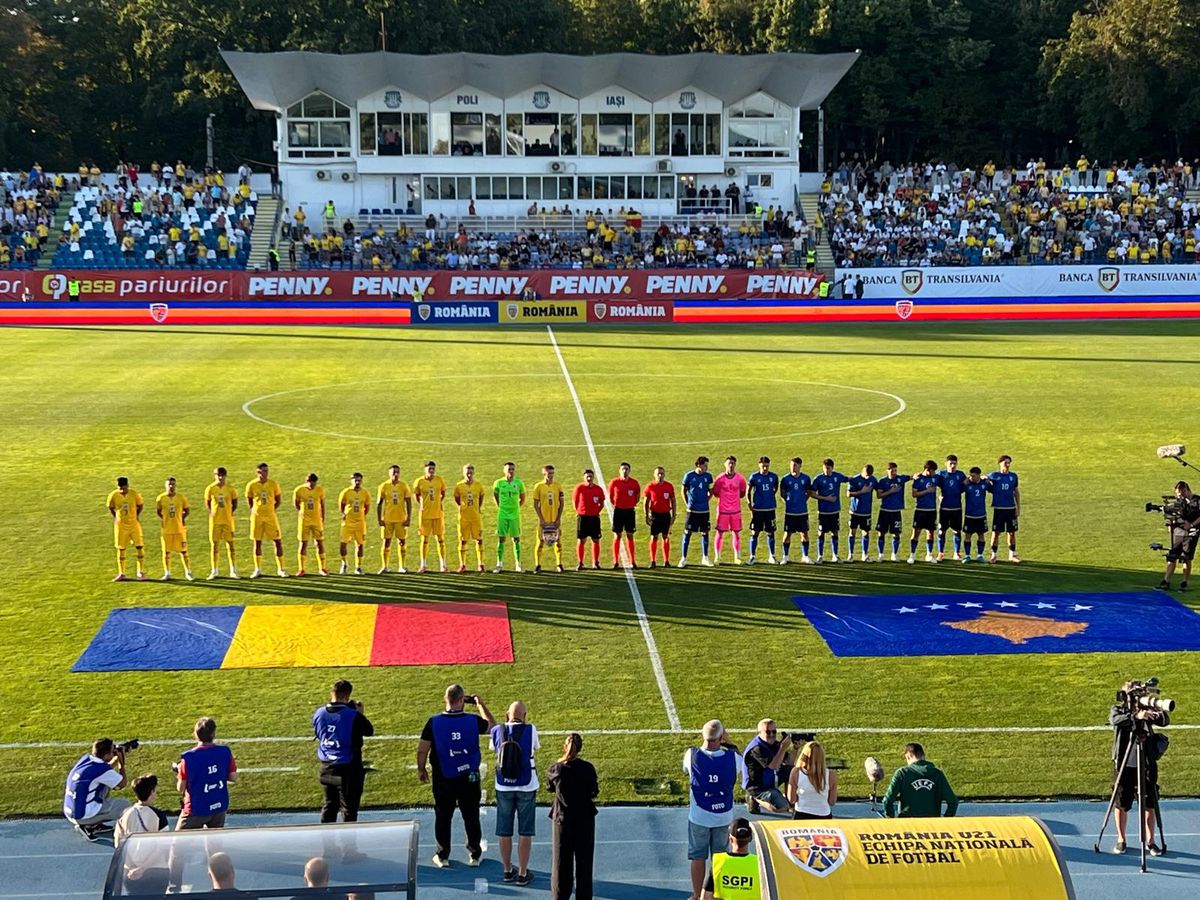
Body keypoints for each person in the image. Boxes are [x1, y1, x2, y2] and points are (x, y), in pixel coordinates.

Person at [418, 684, 496, 867]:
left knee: (443, 816)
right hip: (469, 777)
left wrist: (421, 769)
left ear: (446, 699)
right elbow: (493, 727)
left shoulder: (434, 721)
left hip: (443, 778)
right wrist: (480, 704)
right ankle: (475, 854)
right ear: (462, 700)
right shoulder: (472, 720)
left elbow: (422, 749)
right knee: (471, 815)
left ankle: (442, 855)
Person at [684, 721, 744, 900]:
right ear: (721, 737)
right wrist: (729, 743)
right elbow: (740, 763)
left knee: (697, 856)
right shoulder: (733, 758)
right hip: (723, 816)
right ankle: (714, 894)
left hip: (699, 816)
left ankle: (696, 895)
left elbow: (686, 771)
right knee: (720, 859)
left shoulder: (691, 754)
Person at [1110, 681, 1170, 854]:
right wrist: (1136, 716)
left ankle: (1150, 841)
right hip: (1124, 765)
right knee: (1122, 802)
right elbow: (1115, 720)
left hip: (1146, 764)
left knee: (1149, 802)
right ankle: (1121, 839)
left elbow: (1165, 721)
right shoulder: (1118, 710)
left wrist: (1155, 713)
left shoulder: (1147, 710)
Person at [490, 701, 540, 885]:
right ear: (525, 716)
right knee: (525, 831)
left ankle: (507, 870)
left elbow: (494, 749)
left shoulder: (497, 730)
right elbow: (534, 748)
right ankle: (522, 872)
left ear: (506, 715)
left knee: (504, 831)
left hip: (503, 785)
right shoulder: (531, 729)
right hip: (526, 785)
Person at [313, 679, 374, 822]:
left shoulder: (319, 713)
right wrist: (360, 713)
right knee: (349, 810)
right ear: (347, 696)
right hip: (348, 768)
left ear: (332, 693)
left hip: (326, 766)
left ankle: (326, 841)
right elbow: (369, 730)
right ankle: (348, 843)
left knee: (329, 806)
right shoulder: (353, 715)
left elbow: (318, 733)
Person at [547, 733, 599, 900]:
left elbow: (550, 787)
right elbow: (594, 791)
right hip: (584, 820)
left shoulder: (557, 769)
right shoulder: (588, 768)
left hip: (562, 820)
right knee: (584, 864)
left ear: (565, 746)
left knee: (561, 864)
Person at [174, 717, 237, 830]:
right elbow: (233, 777)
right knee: (215, 844)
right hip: (218, 805)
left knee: (177, 843)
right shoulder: (225, 751)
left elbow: (180, 787)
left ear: (196, 734)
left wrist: (180, 771)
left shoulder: (188, 758)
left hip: (196, 808)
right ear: (213, 734)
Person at [64, 738, 130, 840]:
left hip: (72, 811)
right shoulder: (101, 770)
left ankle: (93, 824)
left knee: (105, 785)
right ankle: (89, 825)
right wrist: (121, 762)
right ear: (107, 755)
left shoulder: (86, 760)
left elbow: (104, 772)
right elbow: (121, 784)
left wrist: (115, 759)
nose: (114, 752)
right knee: (126, 806)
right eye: (113, 751)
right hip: (82, 816)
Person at [114, 774, 170, 893]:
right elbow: (163, 846)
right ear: (151, 791)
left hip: (130, 873)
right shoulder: (159, 816)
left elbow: (119, 843)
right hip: (156, 871)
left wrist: (132, 867)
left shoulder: (125, 814)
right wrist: (143, 868)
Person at [881, 742, 958, 818]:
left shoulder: (902, 773)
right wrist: (946, 819)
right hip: (931, 826)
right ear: (923, 756)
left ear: (908, 757)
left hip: (907, 824)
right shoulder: (938, 774)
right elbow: (953, 801)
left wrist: (890, 818)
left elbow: (887, 800)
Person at [741, 720, 793, 813]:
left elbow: (789, 762)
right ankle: (754, 798)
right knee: (782, 808)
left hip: (769, 779)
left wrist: (796, 748)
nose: (772, 734)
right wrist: (783, 748)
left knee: (792, 770)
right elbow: (773, 766)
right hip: (757, 786)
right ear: (759, 732)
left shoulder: (773, 744)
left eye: (774, 732)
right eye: (768, 732)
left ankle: (789, 801)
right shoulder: (757, 748)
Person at [245, 462, 286, 578]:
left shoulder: (273, 484)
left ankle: (281, 569)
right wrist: (255, 510)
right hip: (257, 517)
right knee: (257, 542)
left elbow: (278, 500)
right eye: (264, 471)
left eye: (267, 471)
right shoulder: (251, 485)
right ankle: (257, 569)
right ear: (258, 472)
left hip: (270, 517)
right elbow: (249, 500)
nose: (266, 473)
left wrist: (271, 510)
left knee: (277, 541)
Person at [1157, 481, 1200, 590]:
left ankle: (1184, 582)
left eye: (1180, 494)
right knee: (1172, 555)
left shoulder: (1198, 501)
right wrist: (1172, 525)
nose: (1179, 496)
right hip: (1179, 532)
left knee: (1186, 558)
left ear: (1186, 490)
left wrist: (1191, 525)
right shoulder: (1180, 502)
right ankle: (1166, 581)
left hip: (1192, 532)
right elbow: (1176, 515)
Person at [701, 818, 757, 900]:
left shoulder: (719, 861)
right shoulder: (759, 863)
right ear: (750, 839)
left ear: (730, 839)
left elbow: (705, 897)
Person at [107, 476, 146, 582]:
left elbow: (140, 505)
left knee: (139, 546)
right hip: (121, 526)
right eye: (120, 488)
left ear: (128, 486)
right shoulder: (113, 495)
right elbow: (110, 507)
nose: (122, 490)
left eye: (124, 488)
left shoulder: (134, 494)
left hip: (134, 524)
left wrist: (136, 516)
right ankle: (122, 573)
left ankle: (140, 572)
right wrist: (116, 517)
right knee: (121, 548)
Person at [710, 457, 747, 565]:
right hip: (723, 511)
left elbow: (742, 493)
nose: (731, 465)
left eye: (733, 464)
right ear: (725, 464)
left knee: (736, 534)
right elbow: (716, 493)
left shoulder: (740, 478)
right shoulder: (720, 479)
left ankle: (737, 557)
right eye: (729, 463)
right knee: (720, 533)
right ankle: (717, 557)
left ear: (735, 465)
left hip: (736, 511)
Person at [413, 460, 449, 573]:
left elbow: (443, 493)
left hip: (438, 514)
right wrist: (423, 505)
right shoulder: (419, 482)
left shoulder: (439, 480)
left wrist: (438, 503)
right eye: (429, 469)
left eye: (433, 469)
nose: (431, 471)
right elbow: (416, 495)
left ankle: (443, 565)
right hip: (425, 515)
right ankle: (423, 565)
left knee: (441, 540)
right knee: (424, 540)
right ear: (425, 469)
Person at [679, 457, 715, 567]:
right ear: (698, 465)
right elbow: (683, 491)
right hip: (692, 510)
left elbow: (710, 491)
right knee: (687, 532)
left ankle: (705, 557)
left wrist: (706, 500)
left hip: (704, 510)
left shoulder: (708, 476)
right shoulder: (689, 476)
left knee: (705, 532)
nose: (706, 468)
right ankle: (683, 558)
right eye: (705, 465)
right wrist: (687, 504)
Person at [204, 466, 239, 579]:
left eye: (222, 475)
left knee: (231, 545)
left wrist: (228, 512)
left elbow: (235, 503)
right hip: (215, 522)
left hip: (228, 521)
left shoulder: (230, 489)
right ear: (214, 476)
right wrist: (213, 513)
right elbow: (207, 503)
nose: (220, 477)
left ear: (225, 476)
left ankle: (233, 570)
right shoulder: (210, 488)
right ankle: (214, 570)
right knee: (215, 545)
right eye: (218, 475)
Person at [155, 477, 193, 581]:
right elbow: (158, 511)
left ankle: (188, 572)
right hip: (166, 530)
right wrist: (165, 519)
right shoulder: (161, 498)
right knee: (166, 552)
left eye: (173, 484)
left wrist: (181, 519)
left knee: (184, 551)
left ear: (175, 485)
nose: (171, 486)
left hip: (179, 529)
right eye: (169, 484)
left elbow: (187, 510)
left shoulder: (181, 498)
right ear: (165, 486)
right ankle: (167, 573)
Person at [787, 740, 836, 819]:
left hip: (801, 815)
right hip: (824, 816)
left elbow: (792, 799)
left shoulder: (796, 772)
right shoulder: (831, 775)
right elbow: (832, 801)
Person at [811, 458, 849, 564]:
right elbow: (812, 493)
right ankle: (820, 556)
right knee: (821, 533)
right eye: (824, 468)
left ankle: (835, 555)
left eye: (828, 468)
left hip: (835, 511)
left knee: (835, 532)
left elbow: (848, 479)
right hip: (823, 511)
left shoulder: (837, 476)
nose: (826, 470)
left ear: (832, 468)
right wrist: (826, 498)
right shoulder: (818, 479)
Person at [377, 464, 412, 574]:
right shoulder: (383, 486)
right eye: (393, 472)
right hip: (387, 519)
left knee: (402, 541)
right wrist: (379, 519)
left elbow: (409, 502)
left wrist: (408, 517)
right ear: (389, 474)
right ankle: (385, 566)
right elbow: (379, 504)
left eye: (397, 472)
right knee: (386, 542)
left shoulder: (404, 486)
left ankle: (402, 566)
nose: (396, 474)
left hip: (401, 519)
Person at [987, 454, 1022, 563]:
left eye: (1009, 462)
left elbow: (1016, 492)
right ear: (1000, 463)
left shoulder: (1013, 476)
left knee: (1011, 532)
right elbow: (984, 478)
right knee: (996, 532)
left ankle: (1012, 554)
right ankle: (993, 555)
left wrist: (1018, 507)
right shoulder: (994, 475)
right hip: (999, 509)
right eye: (1005, 462)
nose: (1007, 465)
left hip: (1010, 508)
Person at [779, 457, 814, 565]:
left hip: (802, 512)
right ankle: (785, 556)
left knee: (804, 533)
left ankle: (805, 556)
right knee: (787, 534)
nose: (792, 467)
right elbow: (782, 494)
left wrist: (802, 500)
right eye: (791, 465)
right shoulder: (785, 479)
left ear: (800, 466)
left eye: (795, 465)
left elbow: (809, 492)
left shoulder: (806, 478)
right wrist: (789, 501)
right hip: (790, 512)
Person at [453, 463, 487, 573]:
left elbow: (481, 497)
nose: (469, 474)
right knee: (463, 541)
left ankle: (480, 564)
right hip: (463, 518)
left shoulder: (478, 485)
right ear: (463, 473)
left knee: (479, 540)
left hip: (476, 518)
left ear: (474, 473)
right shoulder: (459, 486)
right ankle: (462, 564)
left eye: (471, 472)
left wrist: (477, 508)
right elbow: (457, 499)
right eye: (467, 472)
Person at [493, 462, 526, 573]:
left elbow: (523, 498)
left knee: (516, 539)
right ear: (504, 471)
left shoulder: (519, 483)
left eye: (512, 469)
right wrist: (500, 507)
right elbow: (495, 495)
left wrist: (516, 508)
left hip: (515, 515)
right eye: (508, 469)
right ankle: (499, 564)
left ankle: (518, 564)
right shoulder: (498, 483)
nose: (511, 471)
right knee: (501, 538)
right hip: (502, 514)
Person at [874, 462, 911, 562]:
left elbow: (912, 477)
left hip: (896, 512)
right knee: (881, 533)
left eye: (895, 470)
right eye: (892, 470)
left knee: (896, 533)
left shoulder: (900, 479)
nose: (894, 472)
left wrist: (920, 474)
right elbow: (879, 495)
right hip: (885, 511)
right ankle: (881, 554)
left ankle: (894, 554)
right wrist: (891, 491)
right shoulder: (882, 481)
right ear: (887, 470)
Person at [293, 472, 328, 576]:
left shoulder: (320, 490)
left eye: (314, 483)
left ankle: (322, 568)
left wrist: (322, 518)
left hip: (317, 521)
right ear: (306, 481)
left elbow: (322, 504)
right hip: (304, 521)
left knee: (319, 543)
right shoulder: (299, 490)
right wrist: (302, 513)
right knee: (303, 543)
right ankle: (301, 569)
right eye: (310, 482)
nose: (312, 485)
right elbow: (296, 504)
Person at [532, 465, 565, 574]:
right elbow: (536, 504)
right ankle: (537, 565)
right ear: (544, 473)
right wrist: (541, 518)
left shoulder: (558, 486)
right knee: (540, 542)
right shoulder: (538, 486)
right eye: (549, 473)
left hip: (555, 519)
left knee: (558, 542)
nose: (551, 475)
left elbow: (562, 503)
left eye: (552, 473)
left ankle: (559, 564)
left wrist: (558, 518)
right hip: (544, 520)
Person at [934, 454, 968, 562]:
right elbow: (932, 482)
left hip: (957, 508)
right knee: (941, 532)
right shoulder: (941, 474)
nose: (953, 466)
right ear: (946, 464)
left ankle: (956, 553)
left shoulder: (960, 475)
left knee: (957, 531)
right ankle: (940, 553)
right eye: (950, 463)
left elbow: (965, 486)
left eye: (954, 464)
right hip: (944, 508)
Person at [746, 457, 779, 565]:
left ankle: (772, 556)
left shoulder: (773, 476)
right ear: (759, 465)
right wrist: (750, 504)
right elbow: (748, 491)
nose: (765, 468)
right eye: (763, 466)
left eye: (767, 466)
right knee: (755, 532)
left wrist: (769, 498)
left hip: (770, 509)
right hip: (758, 509)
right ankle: (752, 556)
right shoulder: (754, 477)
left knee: (771, 532)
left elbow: (775, 488)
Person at [608, 462, 641, 568]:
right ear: (619, 470)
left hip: (630, 511)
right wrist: (618, 505)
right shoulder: (614, 482)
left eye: (626, 469)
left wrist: (631, 504)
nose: (624, 471)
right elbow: (611, 497)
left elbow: (637, 496)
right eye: (623, 469)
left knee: (630, 535)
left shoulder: (634, 483)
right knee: (617, 535)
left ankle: (632, 560)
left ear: (629, 470)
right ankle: (615, 561)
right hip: (618, 511)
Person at [643, 466, 677, 568]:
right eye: (658, 473)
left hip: (666, 514)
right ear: (654, 475)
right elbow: (646, 501)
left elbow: (673, 500)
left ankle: (666, 561)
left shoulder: (669, 486)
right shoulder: (650, 486)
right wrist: (646, 515)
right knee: (654, 537)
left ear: (664, 474)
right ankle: (653, 561)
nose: (660, 475)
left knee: (665, 537)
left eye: (662, 473)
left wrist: (673, 515)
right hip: (655, 515)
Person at [573, 469, 606, 570]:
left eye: (590, 476)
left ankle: (595, 562)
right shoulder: (579, 488)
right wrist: (578, 511)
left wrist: (596, 511)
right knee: (581, 540)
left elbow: (602, 503)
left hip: (594, 518)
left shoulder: (598, 489)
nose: (589, 478)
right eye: (587, 476)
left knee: (595, 540)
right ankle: (580, 562)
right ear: (584, 477)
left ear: (593, 477)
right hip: (582, 518)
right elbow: (575, 501)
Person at [339, 472, 371, 575]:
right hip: (348, 522)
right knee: (343, 544)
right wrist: (344, 514)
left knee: (360, 545)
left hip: (360, 523)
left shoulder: (365, 493)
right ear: (351, 480)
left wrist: (361, 516)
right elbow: (341, 504)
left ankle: (358, 566)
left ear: (362, 480)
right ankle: (344, 564)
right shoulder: (346, 492)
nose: (357, 482)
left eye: (359, 480)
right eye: (355, 480)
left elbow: (367, 507)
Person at [845, 464, 877, 563]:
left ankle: (865, 554)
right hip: (854, 511)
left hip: (866, 512)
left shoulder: (873, 480)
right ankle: (850, 554)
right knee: (852, 532)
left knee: (866, 532)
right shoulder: (854, 479)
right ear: (863, 470)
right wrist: (861, 491)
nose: (868, 477)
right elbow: (848, 494)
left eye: (869, 475)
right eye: (866, 474)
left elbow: (879, 490)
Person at [908, 460, 939, 564]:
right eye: (933, 471)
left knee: (930, 533)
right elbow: (914, 494)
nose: (934, 473)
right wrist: (927, 491)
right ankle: (912, 555)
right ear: (928, 470)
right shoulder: (918, 479)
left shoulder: (935, 478)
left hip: (932, 510)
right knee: (916, 532)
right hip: (920, 510)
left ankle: (929, 555)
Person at [961, 467, 990, 563]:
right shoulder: (967, 485)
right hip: (969, 515)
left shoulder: (984, 484)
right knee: (967, 535)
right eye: (970, 475)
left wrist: (988, 479)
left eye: (973, 476)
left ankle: (980, 555)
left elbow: (992, 486)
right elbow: (959, 489)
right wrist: (964, 483)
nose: (971, 477)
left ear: (978, 475)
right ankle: (967, 555)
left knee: (981, 535)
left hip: (981, 515)